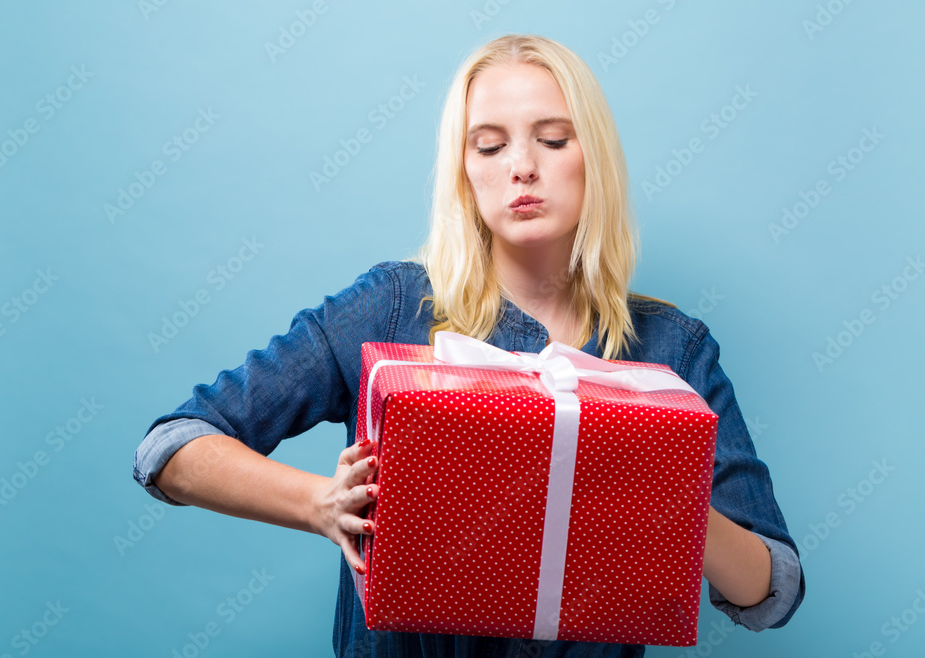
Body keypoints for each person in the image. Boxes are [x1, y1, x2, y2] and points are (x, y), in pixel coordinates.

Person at [133, 33, 804, 657]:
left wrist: (669, 502)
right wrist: (319, 505)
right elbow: (170, 448)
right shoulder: (391, 308)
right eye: (489, 146)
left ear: (592, 157)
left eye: (552, 139)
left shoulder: (671, 350)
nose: (522, 168)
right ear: (464, 173)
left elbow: (773, 590)